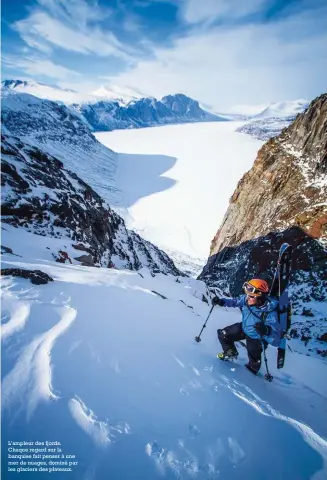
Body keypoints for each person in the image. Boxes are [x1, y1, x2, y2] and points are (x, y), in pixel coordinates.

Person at [212, 279, 281, 375]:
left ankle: (251, 373)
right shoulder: (247, 299)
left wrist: (266, 331)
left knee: (253, 360)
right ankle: (230, 352)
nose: (248, 298)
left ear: (260, 297)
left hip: (257, 338)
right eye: (247, 294)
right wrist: (221, 302)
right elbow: (235, 302)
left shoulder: (270, 312)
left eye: (251, 296)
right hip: (244, 328)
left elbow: (277, 339)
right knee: (223, 334)